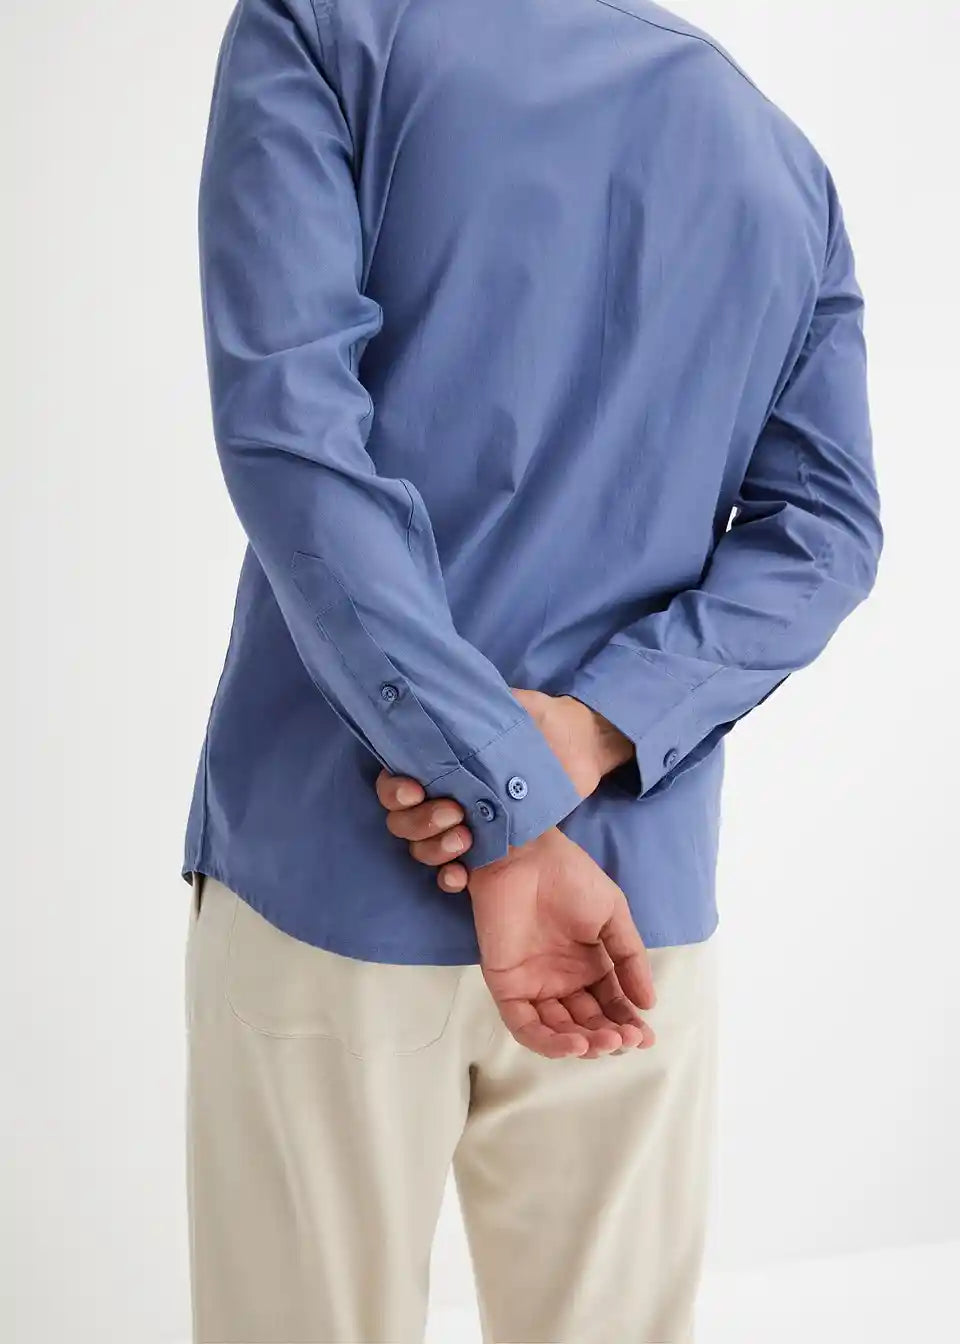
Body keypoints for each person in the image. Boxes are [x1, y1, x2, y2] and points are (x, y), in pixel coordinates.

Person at [182, 0, 882, 1339]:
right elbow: (827, 531)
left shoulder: (323, 28)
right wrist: (594, 731)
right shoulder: (778, 158)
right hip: (627, 922)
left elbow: (294, 439)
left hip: (329, 874)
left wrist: (500, 796)